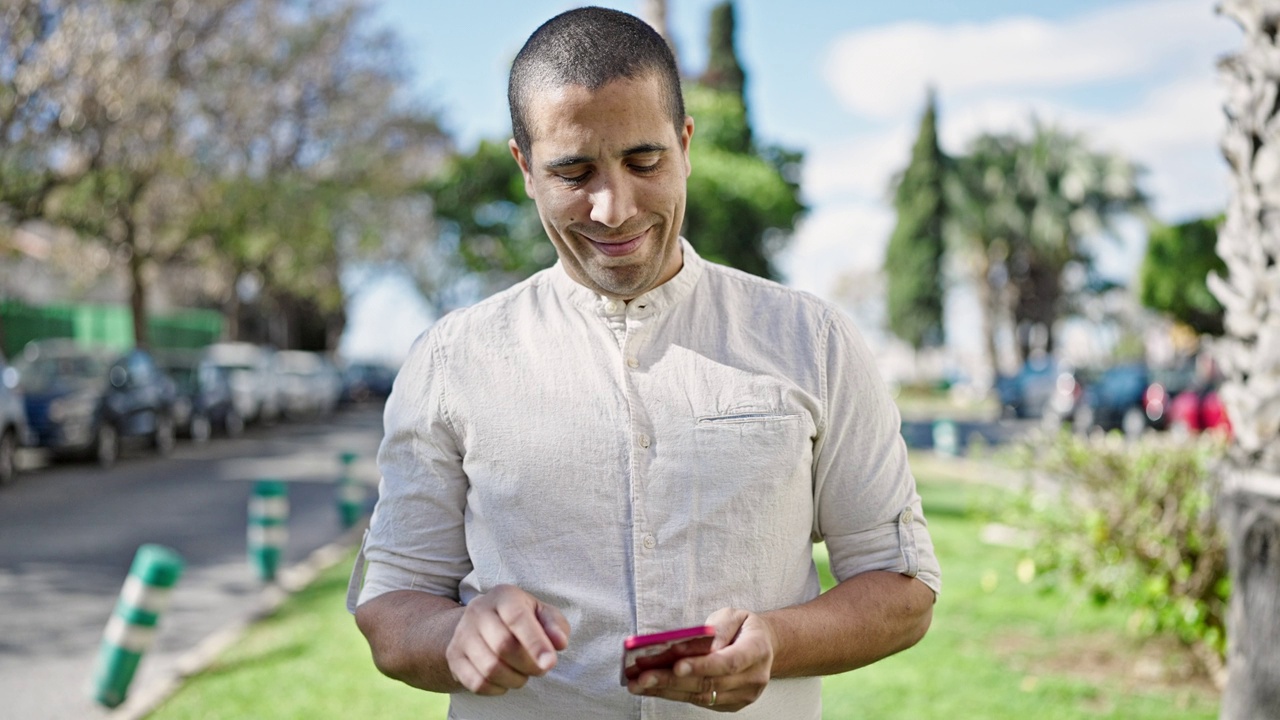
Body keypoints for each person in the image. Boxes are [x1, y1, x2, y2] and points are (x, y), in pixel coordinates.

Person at [350, 7, 940, 718]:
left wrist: (776, 642)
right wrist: (455, 635)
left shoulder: (813, 341)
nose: (614, 208)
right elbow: (392, 603)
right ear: (525, 170)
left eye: (644, 160)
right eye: (573, 171)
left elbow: (901, 589)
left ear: (685, 144)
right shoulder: (452, 360)